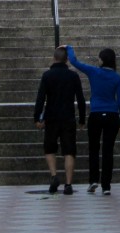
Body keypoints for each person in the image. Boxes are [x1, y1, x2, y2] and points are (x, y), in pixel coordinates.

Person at [66, 44, 120, 196]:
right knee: (108, 151)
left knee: (94, 148)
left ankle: (93, 180)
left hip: (96, 114)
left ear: (102, 60)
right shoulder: (117, 78)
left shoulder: (93, 72)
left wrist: (69, 47)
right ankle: (106, 185)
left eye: (99, 58)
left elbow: (74, 61)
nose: (97, 60)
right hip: (112, 116)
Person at [33, 45, 86, 195]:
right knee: (69, 150)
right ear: (67, 60)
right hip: (68, 117)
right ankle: (68, 184)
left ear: (54, 58)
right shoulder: (73, 76)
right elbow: (81, 100)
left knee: (49, 148)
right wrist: (82, 118)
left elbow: (40, 98)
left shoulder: (47, 76)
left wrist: (37, 117)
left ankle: (54, 175)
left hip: (51, 117)